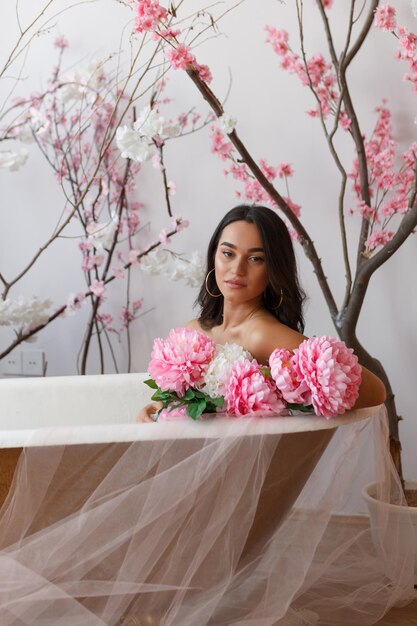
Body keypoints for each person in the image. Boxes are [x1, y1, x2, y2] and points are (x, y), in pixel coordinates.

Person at [139, 204, 386, 421]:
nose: (237, 269)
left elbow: (376, 392)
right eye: (227, 253)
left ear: (274, 268)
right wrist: (157, 409)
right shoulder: (193, 332)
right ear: (214, 255)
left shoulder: (264, 335)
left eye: (256, 259)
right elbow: (176, 401)